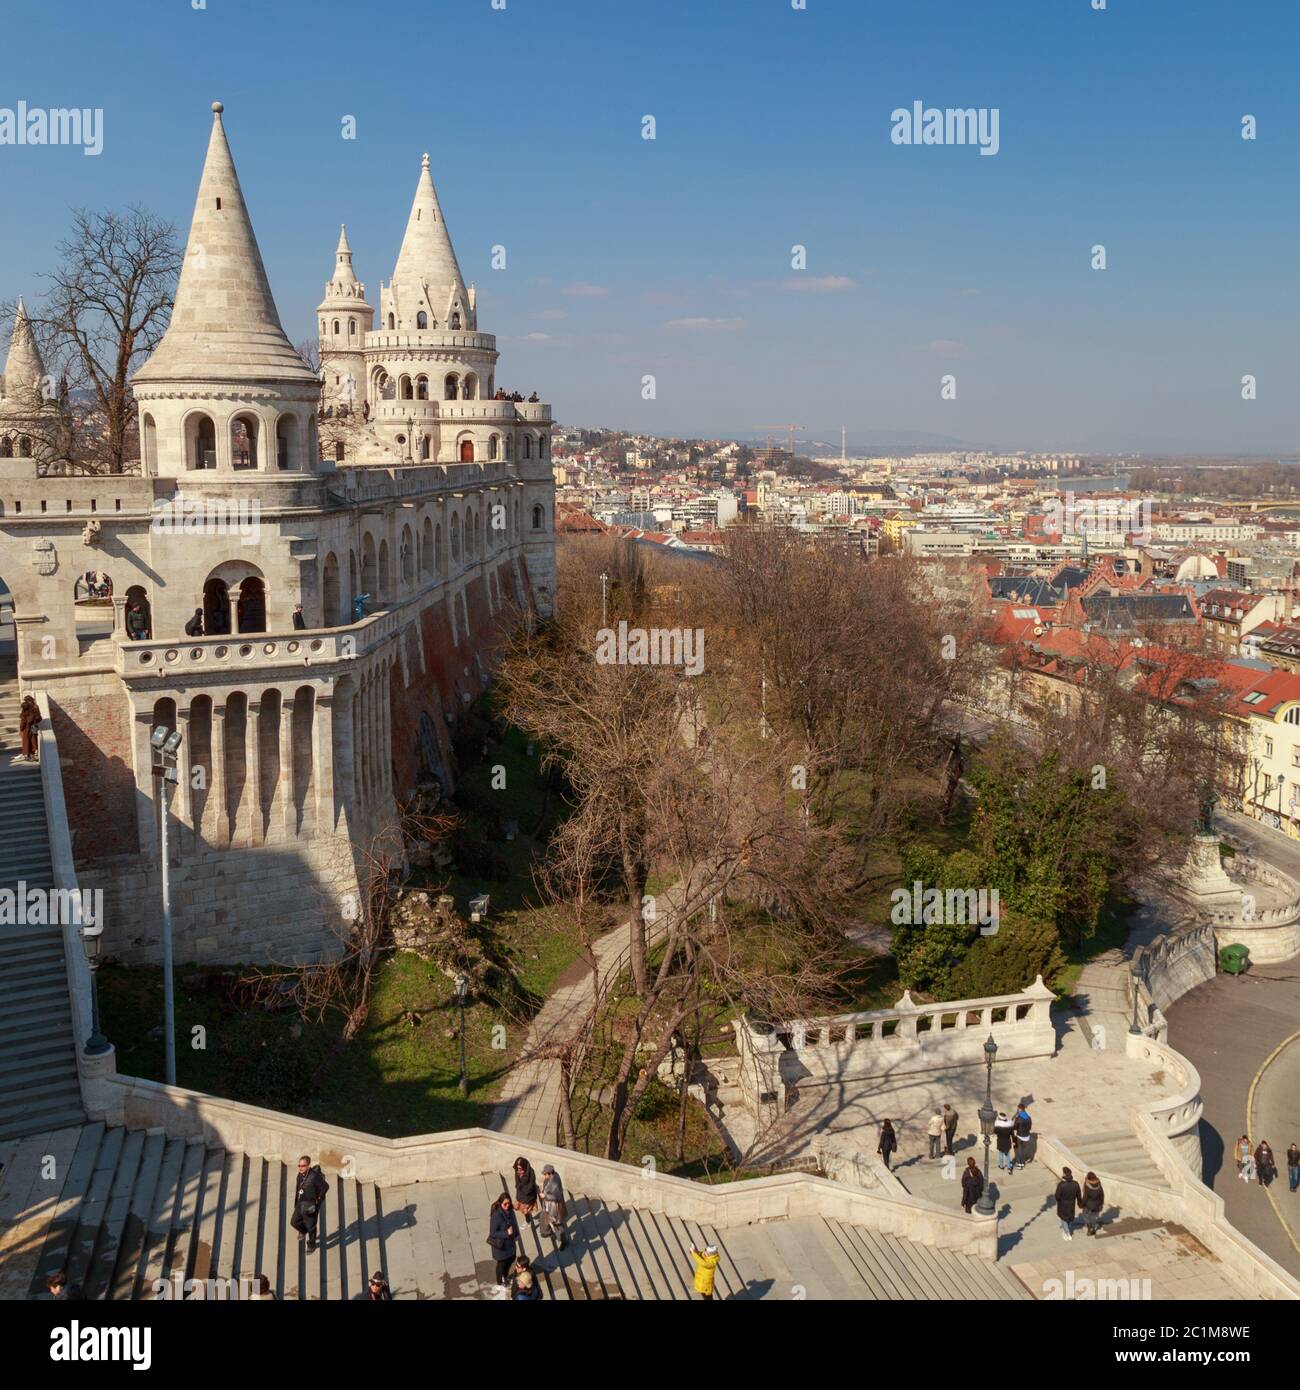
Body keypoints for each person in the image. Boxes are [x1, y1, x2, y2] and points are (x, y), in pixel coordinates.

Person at [289, 1154, 329, 1253]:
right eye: (299, 1165)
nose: (300, 1168)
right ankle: (303, 1231)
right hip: (300, 1203)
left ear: (308, 1166)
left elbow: (325, 1187)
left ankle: (311, 1244)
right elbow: (298, 1189)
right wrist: (296, 1202)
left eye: (302, 1166)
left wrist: (318, 1199)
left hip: (310, 1204)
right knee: (294, 1222)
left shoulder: (314, 1177)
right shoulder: (300, 1175)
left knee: (311, 1226)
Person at [487, 1194, 518, 1286]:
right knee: (501, 1264)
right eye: (505, 1204)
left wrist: (516, 1234)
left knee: (511, 1258)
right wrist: (506, 1233)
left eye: (509, 1203)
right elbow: (493, 1233)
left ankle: (505, 1275)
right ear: (500, 1203)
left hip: (510, 1243)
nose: (507, 1205)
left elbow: (514, 1223)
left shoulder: (510, 1211)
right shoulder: (496, 1216)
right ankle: (500, 1282)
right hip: (502, 1246)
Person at [538, 1162, 568, 1250]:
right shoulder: (550, 1178)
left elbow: (557, 1197)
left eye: (545, 1174)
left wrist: (545, 1196)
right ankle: (546, 1232)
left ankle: (564, 1241)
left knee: (557, 1225)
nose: (544, 1176)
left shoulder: (555, 1182)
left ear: (550, 1173)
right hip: (548, 1205)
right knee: (543, 1217)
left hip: (554, 1208)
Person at [1055, 1165, 1082, 1241]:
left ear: (1064, 1174)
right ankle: (1067, 1231)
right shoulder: (1075, 1184)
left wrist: (1060, 1200)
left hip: (1063, 1205)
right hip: (1071, 1204)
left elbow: (1057, 1196)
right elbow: (1079, 1195)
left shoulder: (1061, 1185)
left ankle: (1067, 1233)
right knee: (1069, 1219)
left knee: (1063, 1219)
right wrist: (1080, 1203)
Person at [513, 1156, 540, 1225]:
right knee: (524, 1211)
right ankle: (528, 1220)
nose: (518, 1170)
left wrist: (523, 1190)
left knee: (525, 1211)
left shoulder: (531, 1172)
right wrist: (518, 1186)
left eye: (520, 1168)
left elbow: (531, 1185)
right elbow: (517, 1181)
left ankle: (528, 1222)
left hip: (528, 1196)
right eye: (517, 1168)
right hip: (521, 1194)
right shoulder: (517, 1170)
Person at [1080, 1172, 1105, 1237]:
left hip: (1088, 1205)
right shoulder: (1099, 1184)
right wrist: (1101, 1204)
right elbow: (1102, 1195)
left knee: (1086, 1216)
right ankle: (1093, 1229)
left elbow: (1085, 1197)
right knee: (1094, 1217)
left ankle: (1089, 1228)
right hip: (1096, 1205)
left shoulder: (1087, 1185)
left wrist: (1081, 1204)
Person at [19, 695, 40, 762]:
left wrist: (21, 728)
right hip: (33, 726)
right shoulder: (35, 707)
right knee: (33, 740)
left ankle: (27, 756)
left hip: (27, 728)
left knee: (27, 742)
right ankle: (32, 755)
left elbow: (23, 720)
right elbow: (39, 718)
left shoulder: (26, 708)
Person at [1012, 1105, 1033, 1172]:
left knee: (1019, 1150)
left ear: (1020, 1109)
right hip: (1027, 1135)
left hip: (1020, 1136)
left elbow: (1015, 1127)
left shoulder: (1019, 1118)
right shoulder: (1028, 1117)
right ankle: (1022, 1161)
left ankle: (1020, 1164)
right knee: (1022, 1149)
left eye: (1018, 1108)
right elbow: (1030, 1127)